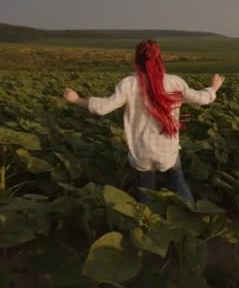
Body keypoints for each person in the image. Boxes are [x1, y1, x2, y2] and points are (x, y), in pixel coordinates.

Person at [63, 39, 225, 204]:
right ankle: (191, 217)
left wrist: (77, 100)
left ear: (136, 60)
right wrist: (213, 88)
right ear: (159, 58)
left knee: (145, 189)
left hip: (141, 150)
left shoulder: (129, 84)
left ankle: (148, 226)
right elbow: (201, 99)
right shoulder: (174, 82)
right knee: (177, 181)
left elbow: (102, 108)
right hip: (167, 147)